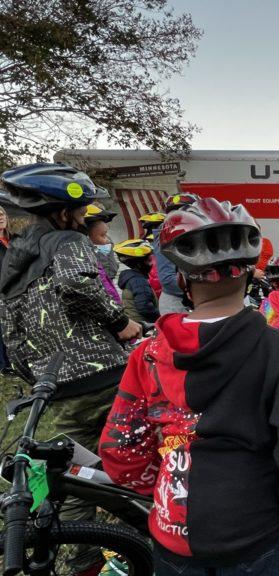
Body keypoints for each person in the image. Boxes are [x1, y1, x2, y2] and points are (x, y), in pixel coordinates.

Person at [99, 197, 279, 576]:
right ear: (247, 276)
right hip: (254, 531)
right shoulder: (277, 351)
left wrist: (160, 492)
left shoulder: (146, 354)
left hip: (172, 534)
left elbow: (121, 447)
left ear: (180, 280)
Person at [0, 163, 142, 574]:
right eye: (83, 213)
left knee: (80, 475)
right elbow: (80, 285)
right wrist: (121, 322)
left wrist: (37, 374)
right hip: (102, 375)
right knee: (151, 447)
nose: (86, 220)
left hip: (57, 386)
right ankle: (166, 528)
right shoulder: (68, 242)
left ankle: (86, 554)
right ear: (64, 212)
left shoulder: (16, 259)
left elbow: (11, 330)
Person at [153, 193, 198, 314]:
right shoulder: (166, 236)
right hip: (177, 304)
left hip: (194, 301)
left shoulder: (193, 234)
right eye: (174, 212)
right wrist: (202, 290)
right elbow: (167, 279)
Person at [115, 238, 160, 324]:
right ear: (139, 264)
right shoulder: (138, 281)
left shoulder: (131, 278)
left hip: (135, 323)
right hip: (144, 325)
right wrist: (160, 318)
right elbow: (145, 307)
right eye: (149, 260)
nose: (152, 264)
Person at [85, 204, 122, 304]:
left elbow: (111, 255)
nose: (105, 224)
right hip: (101, 279)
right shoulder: (85, 248)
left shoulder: (107, 239)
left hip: (109, 276)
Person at [0, 205, 11, 371]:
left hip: (15, 290)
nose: (0, 216)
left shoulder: (13, 240)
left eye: (1, 213)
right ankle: (4, 365)